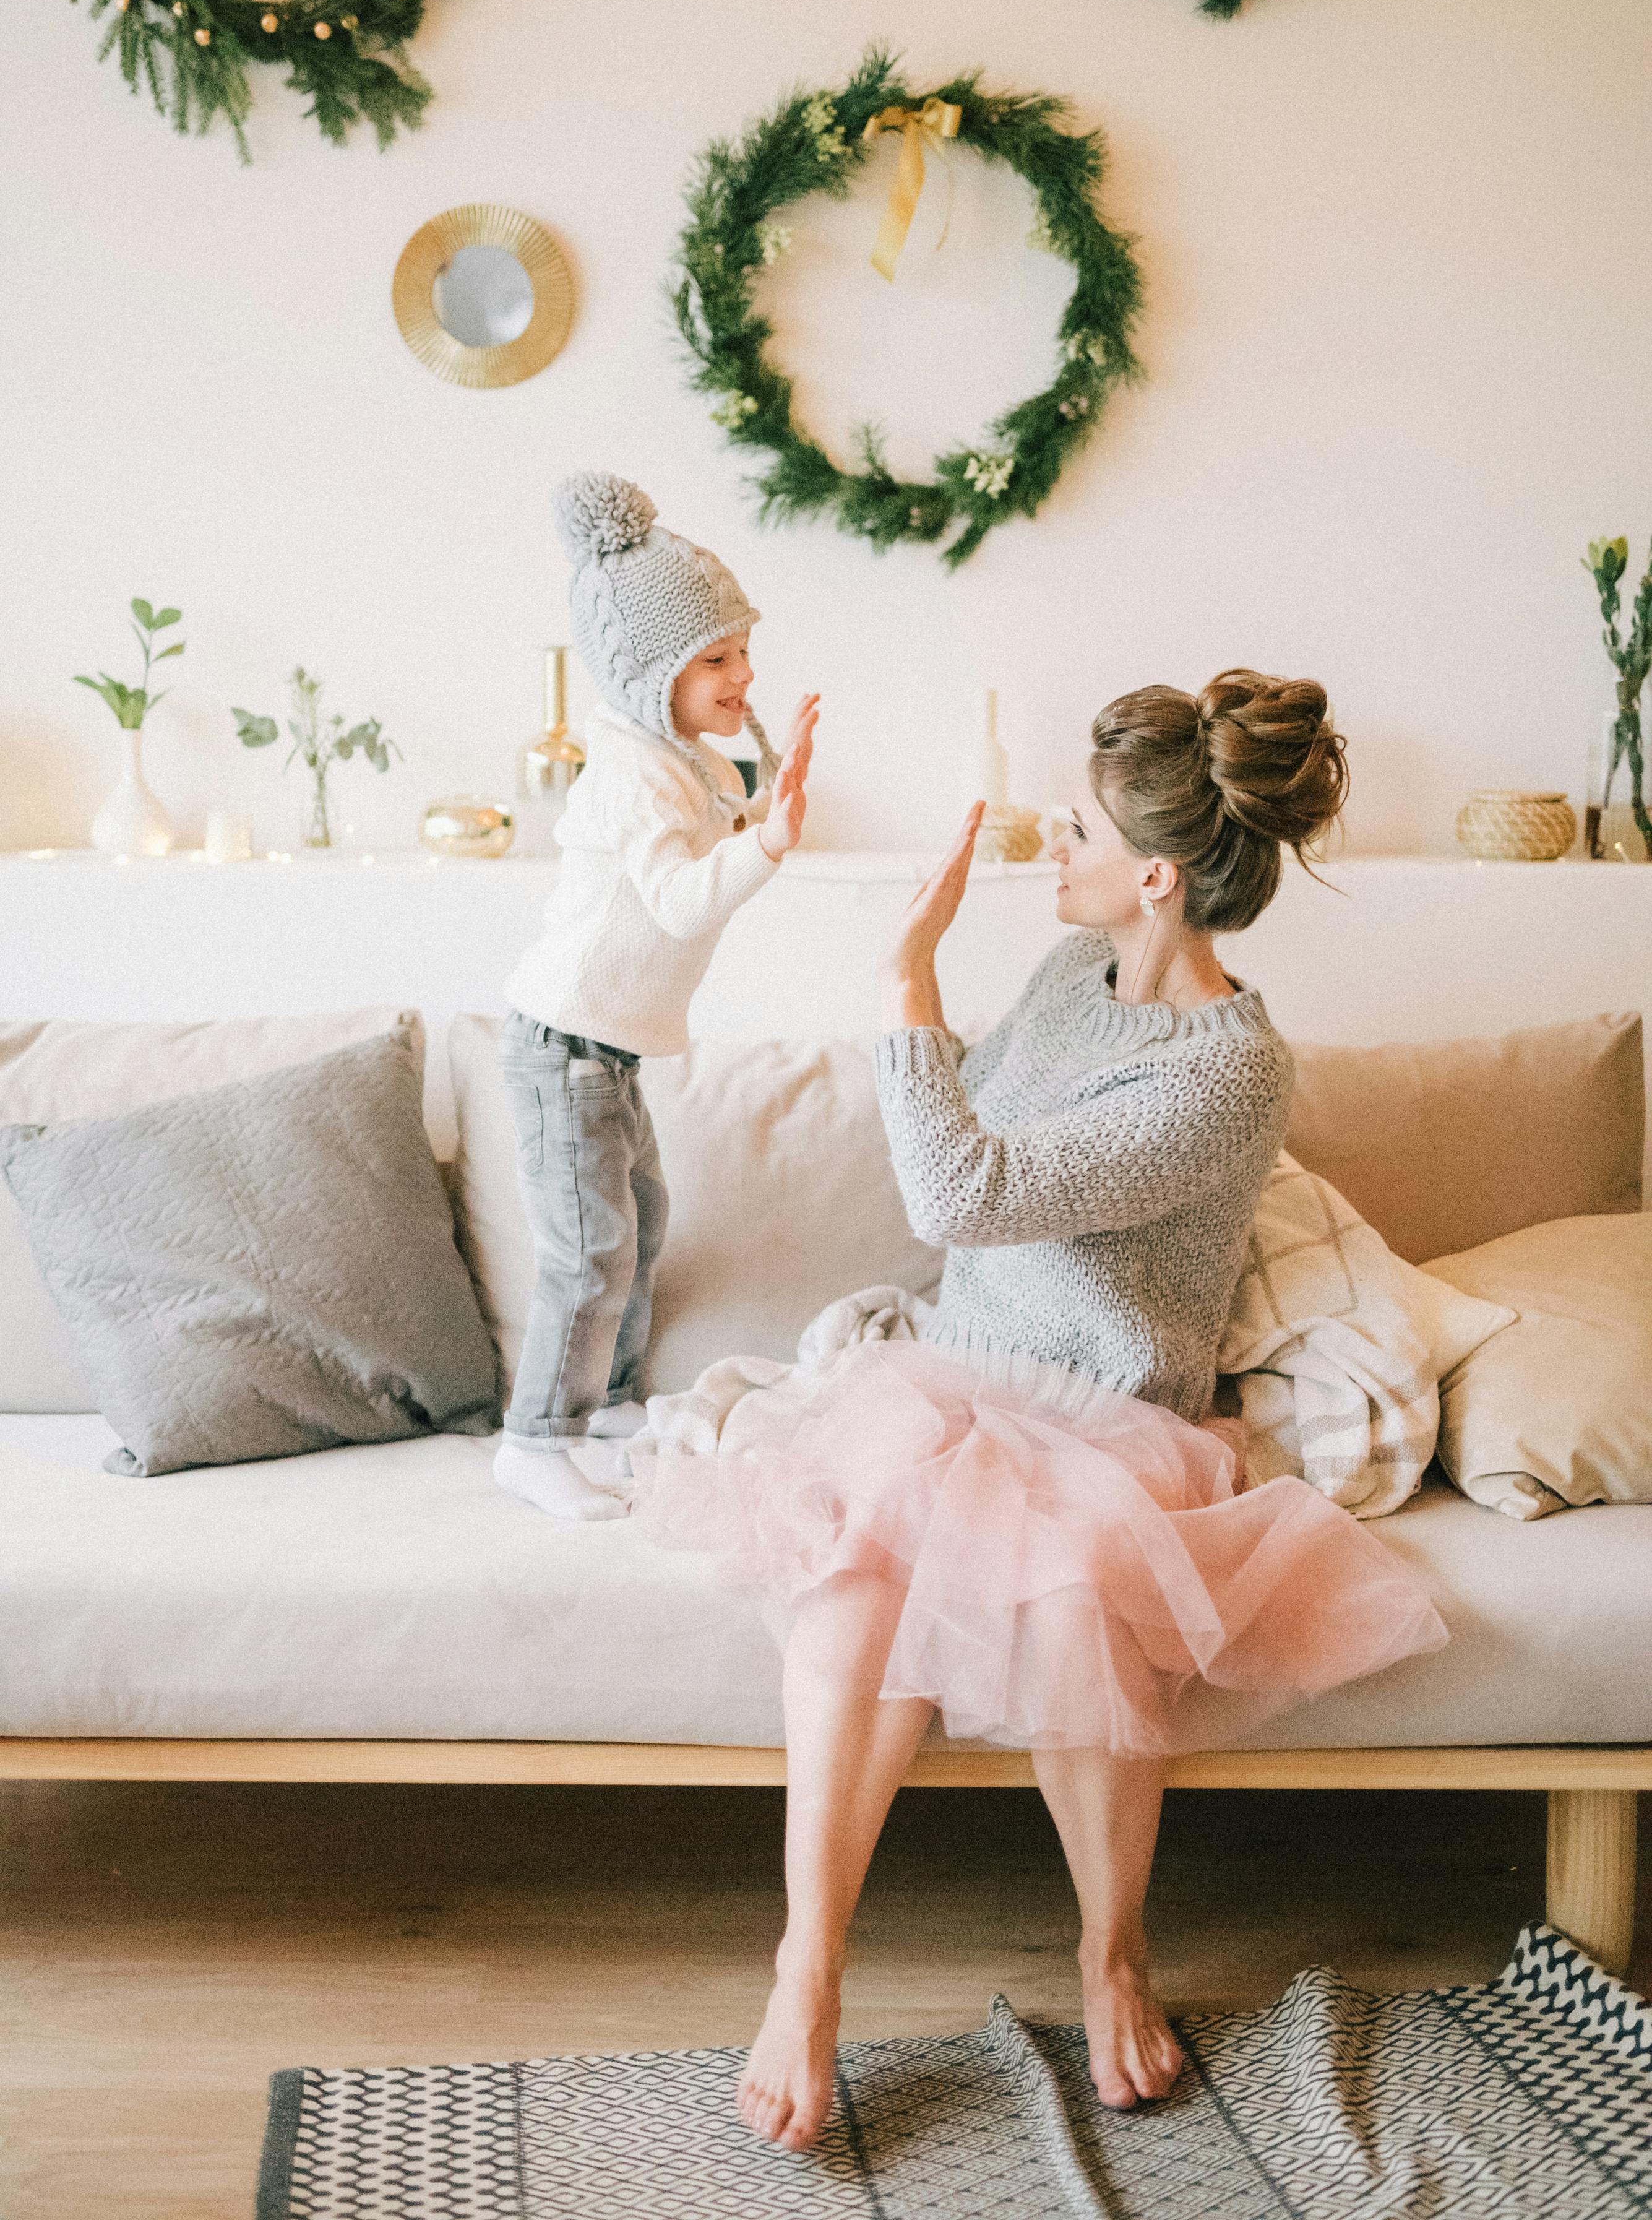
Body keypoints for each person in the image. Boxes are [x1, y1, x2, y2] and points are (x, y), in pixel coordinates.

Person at [636, 668, 1448, 2147]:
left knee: (1075, 1587)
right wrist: (943, 1045)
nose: (1044, 847)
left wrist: (907, 979)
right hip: (960, 1365)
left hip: (1112, 1415)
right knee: (858, 1565)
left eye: (1072, 829)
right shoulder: (1078, 976)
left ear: (1154, 872)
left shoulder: (1232, 1068)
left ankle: (1110, 1952)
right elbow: (978, 1158)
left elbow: (963, 1180)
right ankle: (805, 1968)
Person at [495, 470, 817, 1522]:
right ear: (650, 673)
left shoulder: (676, 760)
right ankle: (534, 1438)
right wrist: (768, 836)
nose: (742, 673)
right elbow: (681, 903)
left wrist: (766, 786)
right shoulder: (634, 774)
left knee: (641, 1220)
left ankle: (613, 1402)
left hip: (604, 1051)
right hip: (561, 1047)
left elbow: (711, 835)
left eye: (741, 651)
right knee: (589, 1248)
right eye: (715, 657)